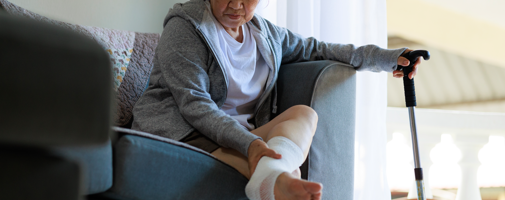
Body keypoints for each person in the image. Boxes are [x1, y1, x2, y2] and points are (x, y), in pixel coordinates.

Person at [131, 0, 422, 199]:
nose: (235, 5)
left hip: (242, 136)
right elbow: (194, 105)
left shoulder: (265, 35)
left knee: (305, 114)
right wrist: (252, 145)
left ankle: (275, 177)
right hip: (185, 132)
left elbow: (320, 49)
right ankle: (280, 180)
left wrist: (387, 59)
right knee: (284, 171)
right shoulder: (186, 27)